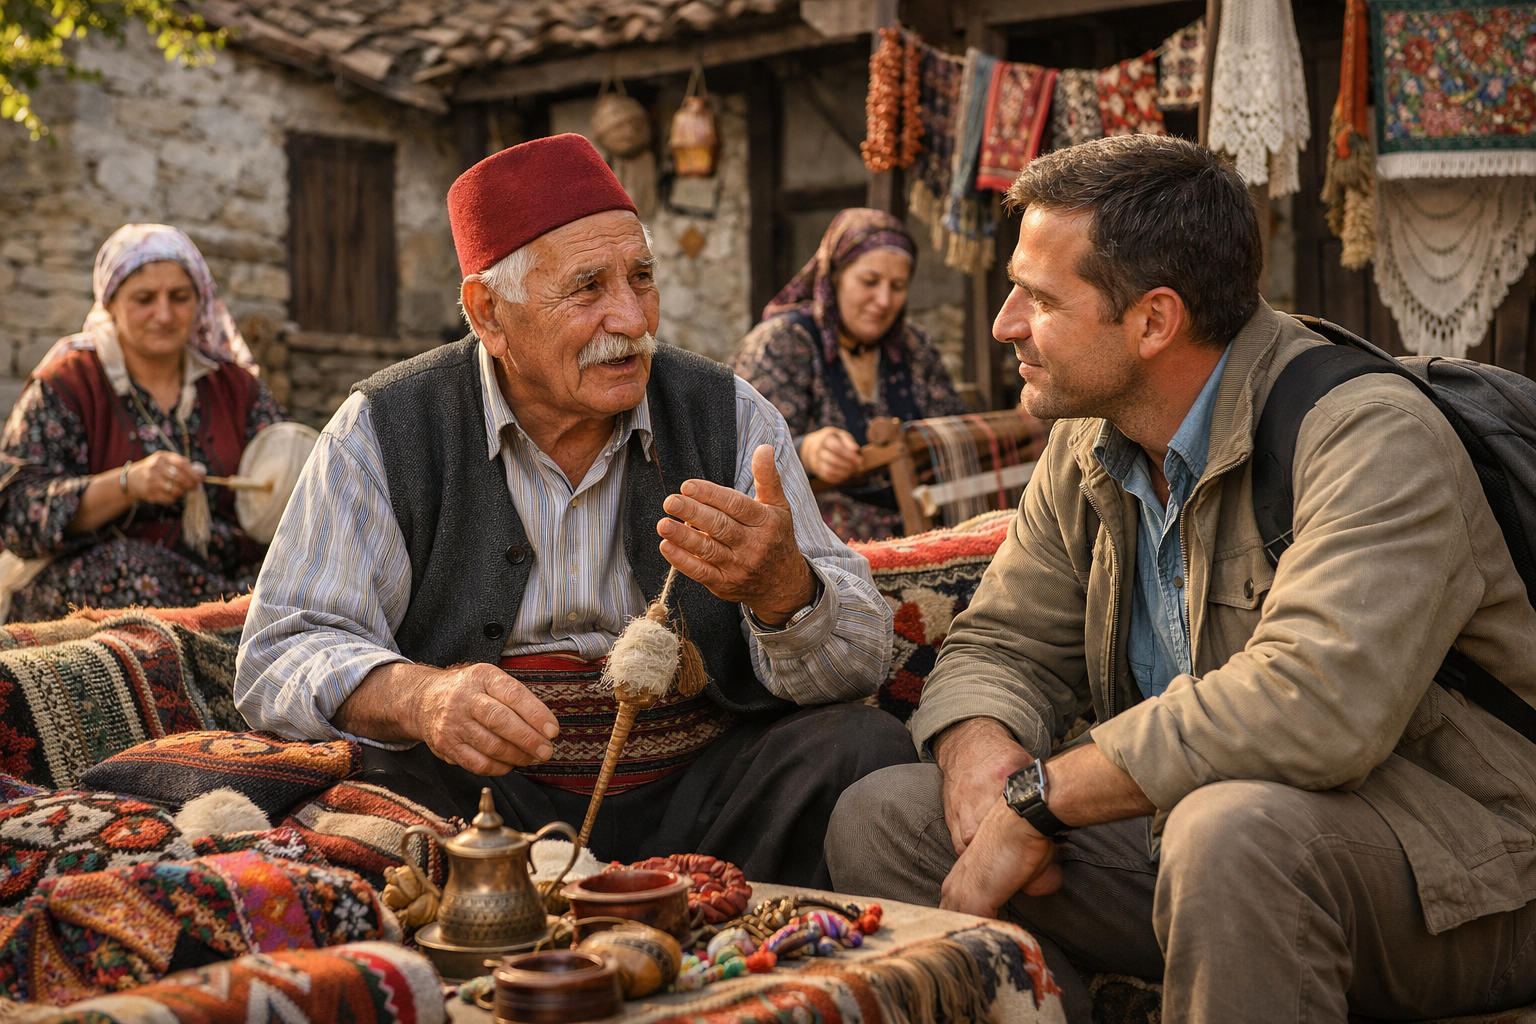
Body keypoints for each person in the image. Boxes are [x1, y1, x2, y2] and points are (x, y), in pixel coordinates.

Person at [826, 135, 1536, 1023]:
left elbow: (1312, 704)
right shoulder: (1091, 439)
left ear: (1154, 321)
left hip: (1474, 870)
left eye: (1040, 298)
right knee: (884, 818)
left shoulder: (1369, 438)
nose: (1006, 322)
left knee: (1232, 836)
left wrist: (1042, 800)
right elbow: (1005, 639)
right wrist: (982, 764)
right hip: (1199, 840)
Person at [235, 135, 914, 887]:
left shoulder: (728, 414)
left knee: (861, 749)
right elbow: (280, 653)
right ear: (488, 312)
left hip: (707, 789)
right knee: (358, 799)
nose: (630, 316)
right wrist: (423, 697)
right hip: (481, 803)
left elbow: (860, 660)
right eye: (588, 288)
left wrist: (786, 591)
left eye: (642, 278)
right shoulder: (386, 428)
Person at [0, 224, 288, 621]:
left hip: (223, 575)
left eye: (180, 297)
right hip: (103, 576)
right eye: (144, 299)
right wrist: (127, 484)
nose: (164, 314)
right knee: (134, 574)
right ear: (111, 303)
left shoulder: (236, 387)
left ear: (199, 301)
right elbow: (17, 512)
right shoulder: (67, 382)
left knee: (288, 589)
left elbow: (293, 474)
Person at [731, 210, 968, 541]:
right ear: (835, 277)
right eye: (869, 282)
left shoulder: (912, 347)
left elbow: (954, 428)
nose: (884, 301)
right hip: (820, 542)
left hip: (921, 523)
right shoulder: (784, 343)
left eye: (898, 286)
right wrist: (807, 450)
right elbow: (738, 447)